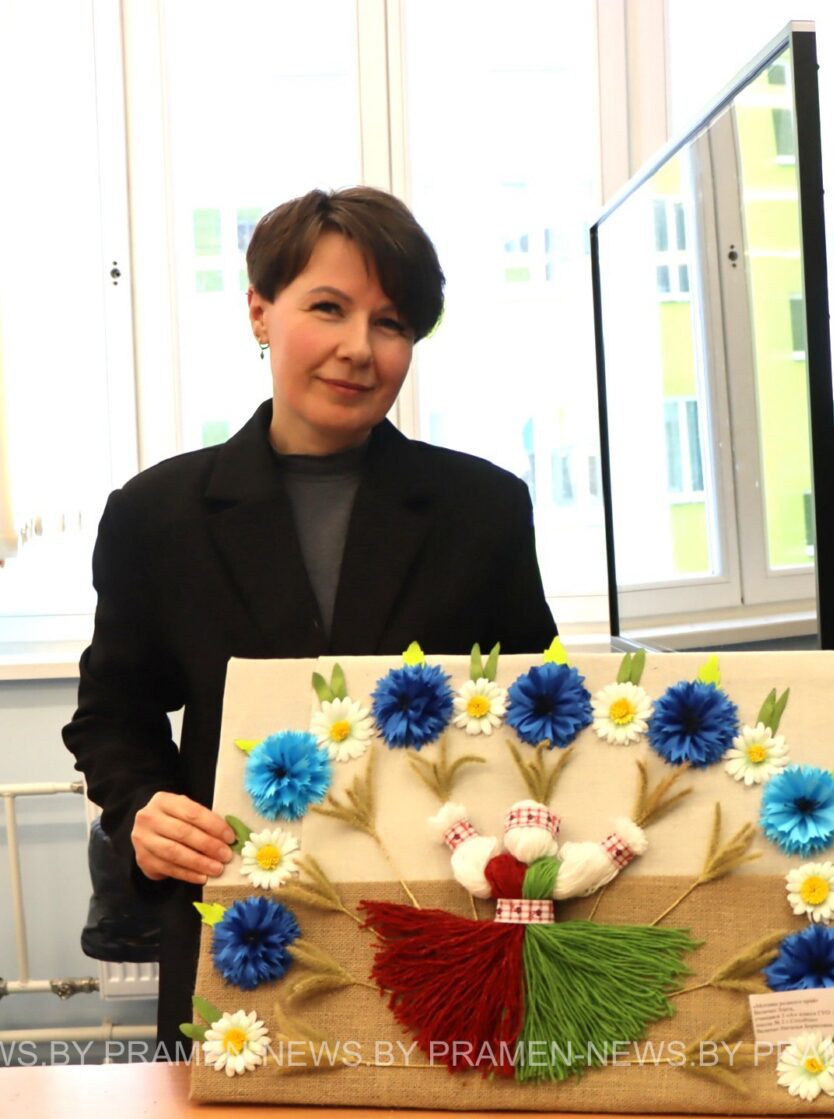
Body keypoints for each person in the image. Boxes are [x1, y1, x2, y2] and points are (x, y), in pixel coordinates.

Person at [63, 186, 557, 1056]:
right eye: (328, 307)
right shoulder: (157, 513)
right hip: (239, 920)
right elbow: (114, 713)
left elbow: (543, 710)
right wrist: (143, 807)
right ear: (261, 311)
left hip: (444, 920)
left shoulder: (483, 508)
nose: (358, 348)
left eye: (391, 322)